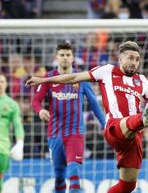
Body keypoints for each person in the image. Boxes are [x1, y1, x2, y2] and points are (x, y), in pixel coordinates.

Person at [26, 41, 148, 193]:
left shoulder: (142, 80)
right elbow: (74, 77)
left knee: (128, 185)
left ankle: (143, 119)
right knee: (61, 175)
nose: (134, 62)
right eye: (130, 58)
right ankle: (143, 118)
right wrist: (43, 80)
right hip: (114, 127)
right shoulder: (107, 71)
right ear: (120, 59)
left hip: (131, 136)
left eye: (137, 59)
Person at [30, 42, 106, 193]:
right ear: (56, 58)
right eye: (62, 55)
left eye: (68, 55)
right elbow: (35, 100)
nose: (65, 58)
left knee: (74, 174)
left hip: (75, 133)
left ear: (73, 58)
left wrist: (105, 124)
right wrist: (39, 111)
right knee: (59, 176)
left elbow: (94, 104)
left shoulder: (82, 78)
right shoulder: (48, 78)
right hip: (55, 134)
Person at [0, 73, 25, 193]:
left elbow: (17, 125)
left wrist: (20, 144)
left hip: (3, 148)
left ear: (6, 84)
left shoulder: (12, 105)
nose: (0, 84)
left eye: (2, 81)